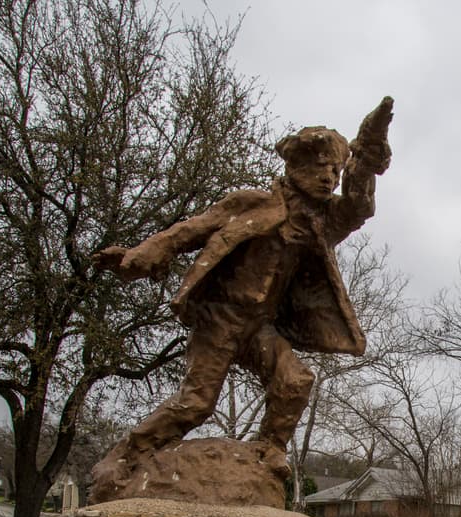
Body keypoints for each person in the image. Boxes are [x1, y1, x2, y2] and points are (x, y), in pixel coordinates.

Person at [94, 97, 393, 457]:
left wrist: (368, 151)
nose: (330, 178)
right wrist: (133, 260)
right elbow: (188, 231)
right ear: (296, 168)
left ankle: (268, 455)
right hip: (220, 319)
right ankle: (125, 456)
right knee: (197, 402)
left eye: (336, 171)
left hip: (259, 327)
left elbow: (358, 206)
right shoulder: (251, 204)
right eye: (321, 168)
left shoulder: (321, 223)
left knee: (294, 381)